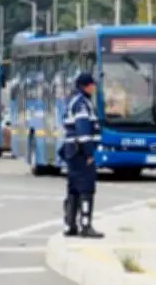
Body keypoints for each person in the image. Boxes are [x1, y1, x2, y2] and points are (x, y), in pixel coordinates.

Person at [59, 72, 103, 238]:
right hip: (80, 153)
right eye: (92, 84)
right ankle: (85, 225)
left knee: (73, 189)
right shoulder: (82, 104)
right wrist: (89, 153)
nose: (94, 87)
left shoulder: (74, 101)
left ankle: (70, 224)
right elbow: (83, 131)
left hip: (72, 152)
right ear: (86, 86)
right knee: (86, 188)